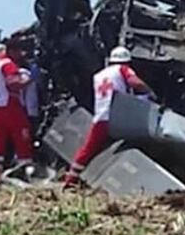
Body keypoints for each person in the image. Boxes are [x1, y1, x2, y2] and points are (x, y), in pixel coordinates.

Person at [65, 46, 151, 186]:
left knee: (87, 149)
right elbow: (135, 82)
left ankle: (70, 180)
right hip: (119, 118)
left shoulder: (98, 76)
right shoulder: (122, 69)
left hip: (101, 118)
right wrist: (149, 92)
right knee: (140, 139)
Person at [0, 42, 33, 183]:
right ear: (11, 50)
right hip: (9, 106)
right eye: (20, 51)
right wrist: (28, 79)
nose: (22, 54)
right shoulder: (8, 64)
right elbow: (14, 84)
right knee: (22, 136)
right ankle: (25, 170)